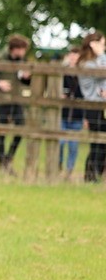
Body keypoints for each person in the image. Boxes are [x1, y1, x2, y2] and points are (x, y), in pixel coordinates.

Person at [0, 34, 32, 175]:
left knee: (20, 128)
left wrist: (27, 78)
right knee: (1, 132)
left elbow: (27, 82)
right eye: (22, 49)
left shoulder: (24, 62)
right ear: (15, 49)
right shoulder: (0, 60)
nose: (24, 52)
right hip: (3, 100)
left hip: (17, 100)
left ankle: (8, 157)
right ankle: (2, 164)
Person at [77, 32, 106, 182]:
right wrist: (101, 54)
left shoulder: (95, 62)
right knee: (97, 142)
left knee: (102, 143)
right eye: (102, 44)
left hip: (101, 105)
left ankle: (95, 175)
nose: (104, 48)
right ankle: (90, 176)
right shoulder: (87, 64)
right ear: (93, 45)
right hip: (94, 106)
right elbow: (103, 72)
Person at [59, 46, 85, 180]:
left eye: (76, 55)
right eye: (72, 55)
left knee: (73, 146)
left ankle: (69, 171)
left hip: (77, 116)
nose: (74, 58)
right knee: (60, 143)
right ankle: (58, 167)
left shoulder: (84, 75)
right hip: (62, 114)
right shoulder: (62, 73)